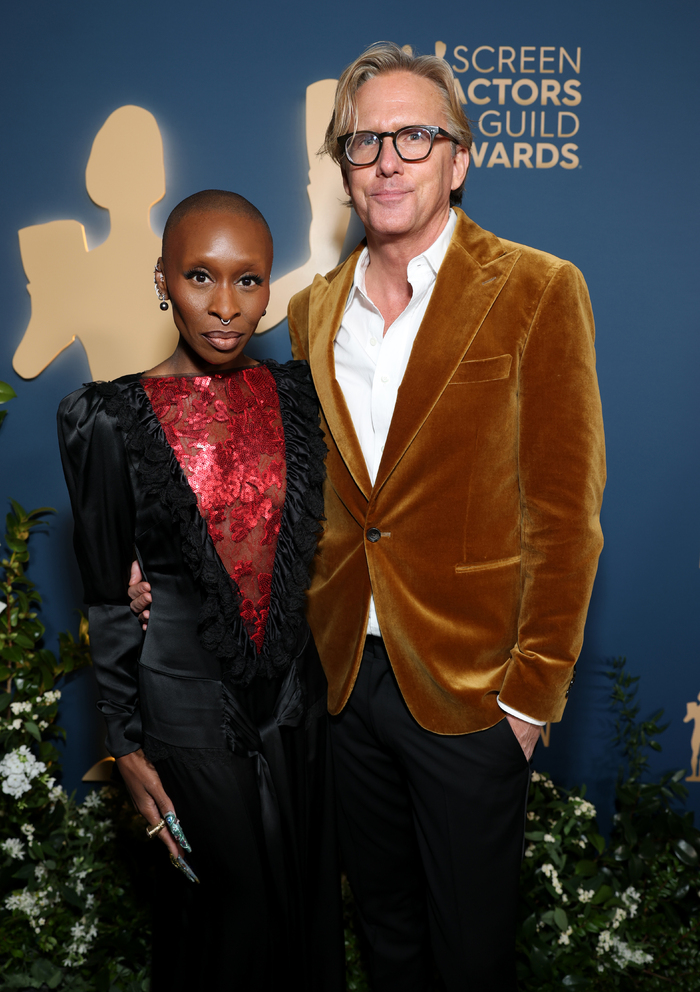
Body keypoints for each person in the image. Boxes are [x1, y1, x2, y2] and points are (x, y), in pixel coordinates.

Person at [131, 44, 606, 991]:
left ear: (458, 159)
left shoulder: (539, 290)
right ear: (344, 168)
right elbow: (273, 488)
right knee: (384, 941)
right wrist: (166, 575)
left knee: (470, 957)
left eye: (414, 136)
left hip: (473, 693)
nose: (387, 159)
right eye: (363, 141)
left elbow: (565, 511)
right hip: (343, 684)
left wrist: (527, 700)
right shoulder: (312, 312)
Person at [57, 190, 344, 992]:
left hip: (295, 709)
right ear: (162, 280)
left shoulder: (299, 398)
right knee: (224, 924)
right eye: (199, 276)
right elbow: (109, 595)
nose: (225, 307)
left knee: (299, 914)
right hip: (183, 716)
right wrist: (124, 742)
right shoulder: (107, 419)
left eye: (248, 281)